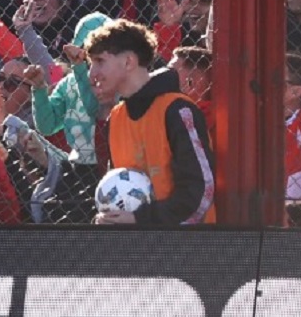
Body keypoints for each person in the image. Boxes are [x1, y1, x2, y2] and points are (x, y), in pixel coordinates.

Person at [83, 18, 216, 225]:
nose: (92, 74)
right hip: (138, 248)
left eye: (100, 61)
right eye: (90, 64)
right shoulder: (116, 118)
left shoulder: (178, 110)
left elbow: (202, 190)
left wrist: (141, 219)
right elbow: (118, 192)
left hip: (189, 249)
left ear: (128, 62)